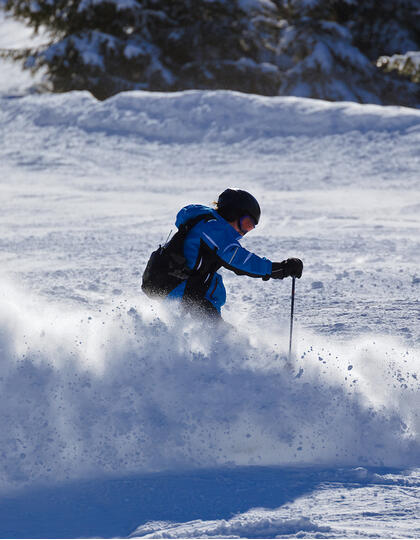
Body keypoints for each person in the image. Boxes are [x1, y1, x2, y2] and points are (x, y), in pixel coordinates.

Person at [165, 188, 303, 319]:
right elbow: (238, 259)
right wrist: (277, 269)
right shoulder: (213, 229)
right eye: (246, 224)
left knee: (213, 321)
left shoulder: (208, 226)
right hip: (179, 289)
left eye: (250, 228)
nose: (244, 232)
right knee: (219, 336)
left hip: (181, 289)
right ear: (232, 213)